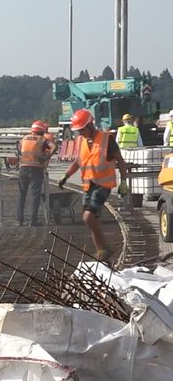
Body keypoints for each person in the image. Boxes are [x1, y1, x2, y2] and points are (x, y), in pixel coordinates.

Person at [58, 109, 129, 264]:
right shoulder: (82, 141)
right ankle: (102, 252)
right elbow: (78, 162)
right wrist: (66, 176)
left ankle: (104, 250)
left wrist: (124, 182)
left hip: (103, 185)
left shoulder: (107, 140)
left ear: (90, 125)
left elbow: (121, 162)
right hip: (88, 186)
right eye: (78, 131)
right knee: (90, 220)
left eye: (81, 129)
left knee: (88, 217)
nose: (80, 133)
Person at [16, 121, 56, 226]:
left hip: (23, 168)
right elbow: (54, 147)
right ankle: (33, 221)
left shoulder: (24, 139)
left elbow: (19, 149)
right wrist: (46, 158)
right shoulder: (42, 140)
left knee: (21, 195)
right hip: (36, 168)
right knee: (35, 195)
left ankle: (19, 221)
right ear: (42, 131)